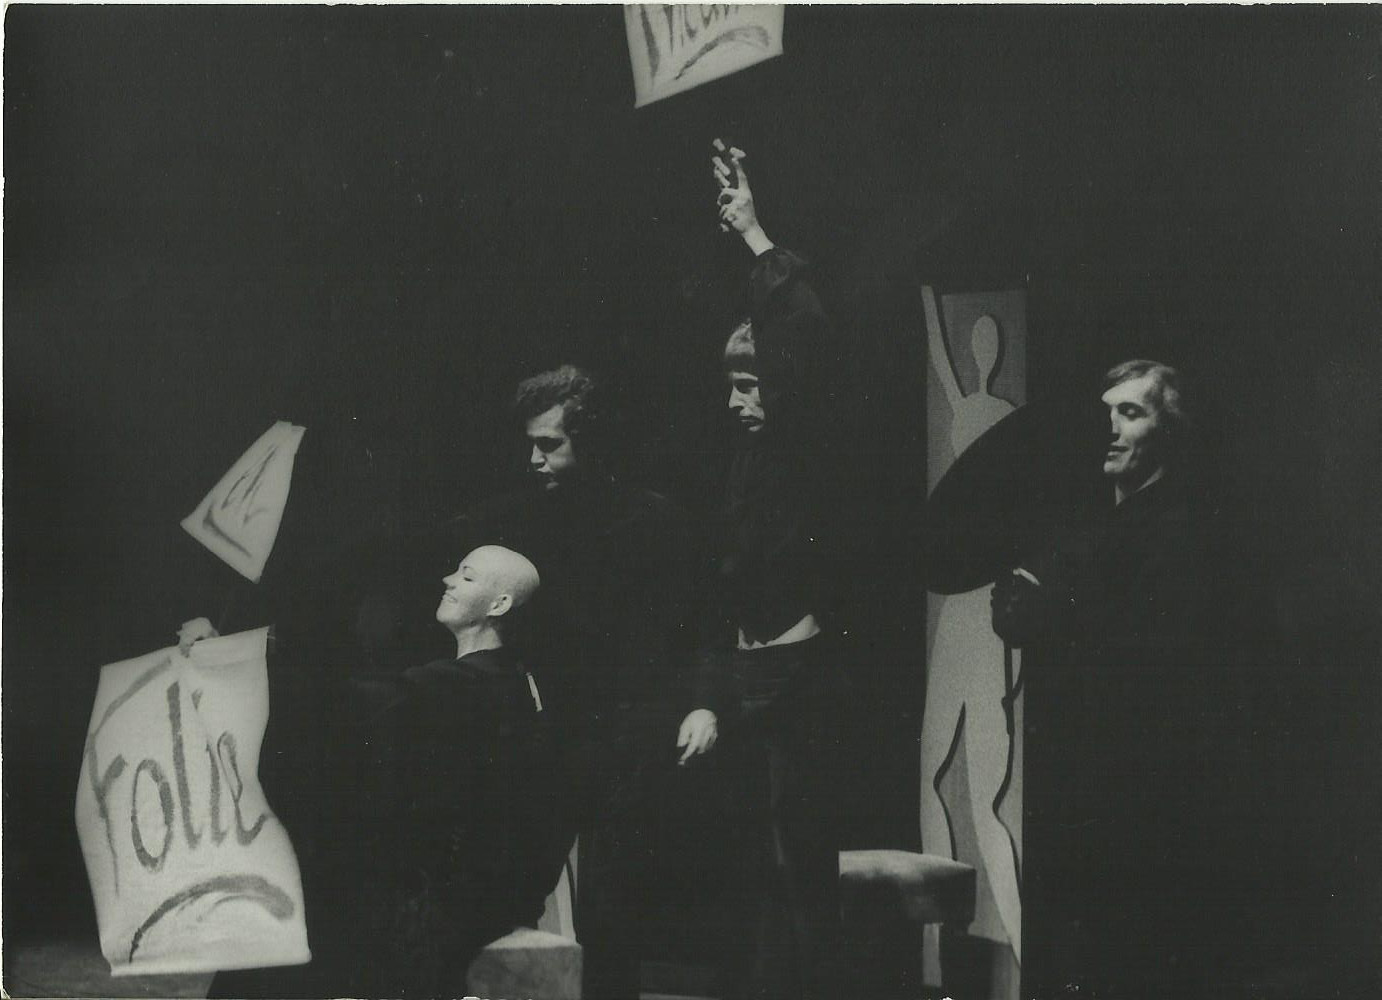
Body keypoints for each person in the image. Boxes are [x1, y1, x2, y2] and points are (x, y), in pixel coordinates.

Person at [444, 365, 711, 1000]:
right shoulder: (517, 517)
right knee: (500, 894)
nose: (534, 458)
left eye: (550, 444)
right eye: (531, 444)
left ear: (590, 442)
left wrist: (703, 705)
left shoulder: (657, 522)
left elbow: (698, 626)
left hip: (630, 736)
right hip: (546, 734)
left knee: (611, 914)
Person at [208, 545, 563, 999]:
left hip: (433, 912)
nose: (448, 580)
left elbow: (349, 699)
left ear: (500, 604)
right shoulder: (509, 681)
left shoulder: (468, 683)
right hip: (453, 904)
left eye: (467, 576)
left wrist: (234, 651)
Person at [676, 142, 852, 1000]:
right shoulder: (742, 466)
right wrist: (712, 694)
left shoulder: (804, 443)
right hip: (746, 673)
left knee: (796, 857)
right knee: (742, 862)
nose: (737, 400)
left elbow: (804, 334)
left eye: (751, 386)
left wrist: (751, 231)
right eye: (732, 385)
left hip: (797, 673)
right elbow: (723, 586)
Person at [990, 360, 1224, 997]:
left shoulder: (1178, 537)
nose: (1112, 429)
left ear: (1168, 433)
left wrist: (1052, 611)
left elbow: (1144, 668)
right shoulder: (1094, 527)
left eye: (1131, 413)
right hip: (1082, 787)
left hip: (1142, 798)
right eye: (1106, 413)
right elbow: (1029, 613)